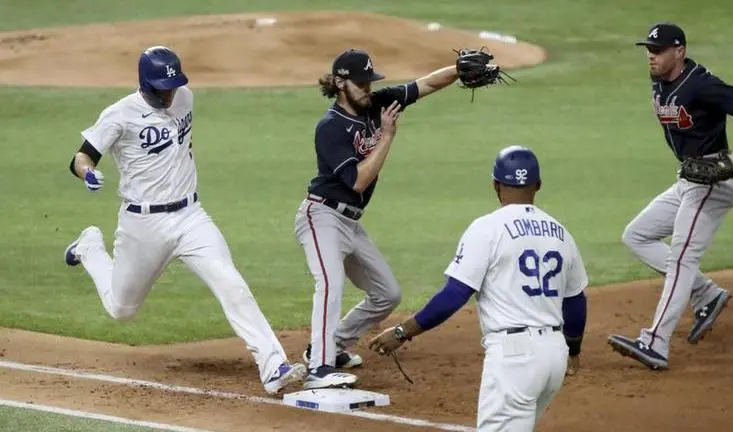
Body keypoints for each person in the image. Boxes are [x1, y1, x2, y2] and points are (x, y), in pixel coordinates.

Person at [64, 46, 306, 395]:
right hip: (142, 225)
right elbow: (82, 155)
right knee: (121, 310)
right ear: (144, 84)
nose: (170, 93)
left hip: (191, 216)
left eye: (173, 85)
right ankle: (90, 248)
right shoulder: (119, 115)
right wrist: (87, 173)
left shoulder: (185, 98)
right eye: (163, 87)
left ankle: (273, 366)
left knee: (230, 281)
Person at [294, 48, 494, 390]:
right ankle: (319, 368)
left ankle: (332, 345)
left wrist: (458, 71)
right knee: (329, 284)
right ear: (340, 83)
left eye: (369, 82)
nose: (367, 89)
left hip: (351, 222)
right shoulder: (329, 128)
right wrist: (386, 136)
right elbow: (358, 181)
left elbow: (424, 86)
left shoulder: (377, 103)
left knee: (387, 293)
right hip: (321, 216)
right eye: (360, 83)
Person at [369, 145, 589, 432]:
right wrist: (573, 350)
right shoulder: (561, 232)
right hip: (554, 357)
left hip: (515, 358)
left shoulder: (487, 228)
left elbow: (454, 294)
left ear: (495, 185)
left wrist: (402, 332)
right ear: (538, 185)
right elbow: (575, 302)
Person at [608, 23, 733, 370]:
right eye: (649, 49)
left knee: (681, 258)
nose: (652, 55)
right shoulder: (659, 79)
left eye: (659, 50)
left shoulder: (701, 84)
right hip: (689, 177)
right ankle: (707, 294)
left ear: (679, 51)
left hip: (714, 180)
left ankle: (656, 343)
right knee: (637, 235)